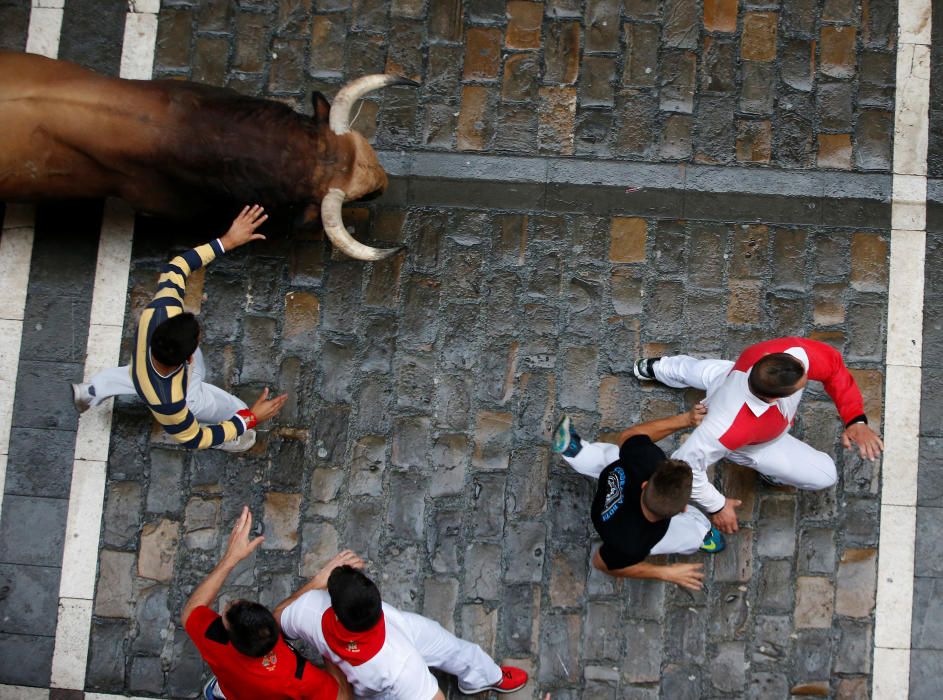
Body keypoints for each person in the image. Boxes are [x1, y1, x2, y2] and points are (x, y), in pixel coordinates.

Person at [72, 205, 287, 451]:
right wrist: (250, 418)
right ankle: (234, 437)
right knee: (232, 408)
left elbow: (177, 268)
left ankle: (91, 391)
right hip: (182, 393)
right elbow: (194, 438)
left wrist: (226, 242)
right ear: (189, 359)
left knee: (136, 376)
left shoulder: (160, 312)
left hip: (145, 368)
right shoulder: (172, 404)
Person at [633, 336, 885, 533]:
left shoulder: (788, 356)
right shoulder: (723, 430)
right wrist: (717, 505)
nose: (809, 376)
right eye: (803, 382)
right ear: (775, 398)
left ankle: (660, 367)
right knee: (825, 474)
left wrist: (855, 419)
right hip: (752, 443)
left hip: (729, 378)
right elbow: (686, 466)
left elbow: (832, 369)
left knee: (702, 371)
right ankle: (770, 472)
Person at [275, 552, 528, 699]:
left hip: (396, 634)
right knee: (451, 648)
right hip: (386, 679)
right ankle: (483, 677)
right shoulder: (402, 665)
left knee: (452, 647)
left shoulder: (308, 608)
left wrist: (317, 581)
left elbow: (276, 619)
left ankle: (480, 677)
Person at [182, 506, 351, 700]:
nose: (230, 602)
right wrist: (326, 645)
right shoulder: (299, 675)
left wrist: (231, 557)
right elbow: (343, 698)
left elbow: (192, 610)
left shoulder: (214, 641)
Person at [550, 404, 724, 591]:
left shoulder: (648, 463)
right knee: (688, 533)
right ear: (682, 509)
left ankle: (577, 451)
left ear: (646, 484)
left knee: (614, 456)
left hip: (613, 481)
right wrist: (665, 572)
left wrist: (686, 419)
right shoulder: (635, 544)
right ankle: (702, 535)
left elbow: (630, 435)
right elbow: (602, 564)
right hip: (612, 515)